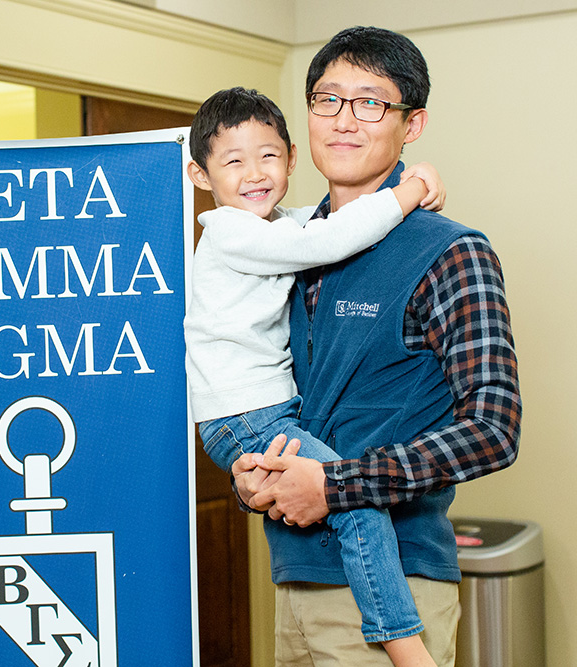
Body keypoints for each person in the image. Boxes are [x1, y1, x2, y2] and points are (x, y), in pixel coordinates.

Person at [232, 26, 521, 666]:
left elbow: (494, 428)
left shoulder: (450, 252)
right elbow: (268, 394)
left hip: (397, 588)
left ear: (411, 124)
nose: (343, 121)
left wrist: (334, 486)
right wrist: (254, 476)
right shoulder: (280, 246)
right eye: (327, 100)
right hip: (292, 579)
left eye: (370, 103)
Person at [185, 87, 443, 667]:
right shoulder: (230, 229)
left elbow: (325, 221)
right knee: (357, 501)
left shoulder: (276, 225)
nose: (255, 174)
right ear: (200, 175)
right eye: (233, 161)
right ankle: (403, 643)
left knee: (342, 494)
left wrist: (417, 173)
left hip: (256, 412)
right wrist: (410, 192)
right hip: (244, 414)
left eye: (269, 156)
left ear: (292, 158)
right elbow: (328, 236)